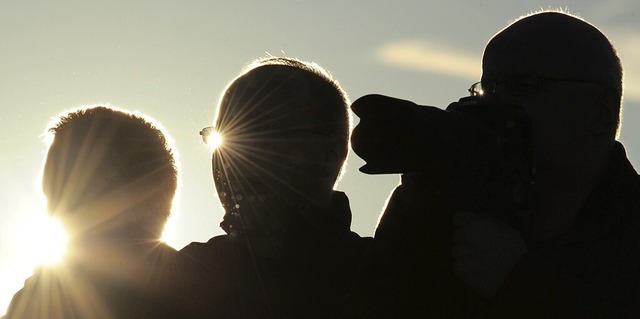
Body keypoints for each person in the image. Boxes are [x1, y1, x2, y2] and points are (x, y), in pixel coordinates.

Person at [347, 10, 640, 318]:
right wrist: (419, 205)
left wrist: (519, 279)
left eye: (523, 87)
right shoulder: (455, 201)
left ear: (602, 110)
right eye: (487, 90)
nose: (494, 107)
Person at [180, 57, 371, 318]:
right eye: (225, 136)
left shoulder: (382, 279)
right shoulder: (182, 277)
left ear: (329, 153)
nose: (235, 154)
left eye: (262, 132)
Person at [4, 106, 182, 319]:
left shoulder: (208, 292)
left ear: (149, 199)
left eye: (79, 195)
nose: (53, 213)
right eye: (52, 196)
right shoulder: (35, 299)